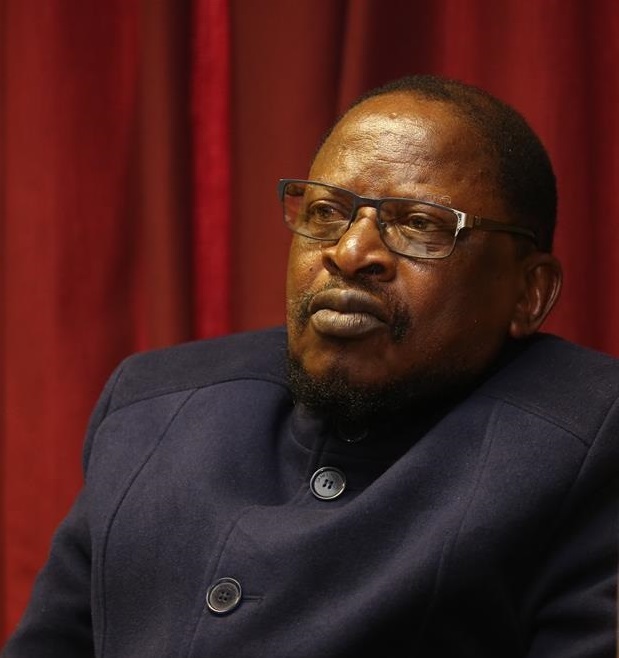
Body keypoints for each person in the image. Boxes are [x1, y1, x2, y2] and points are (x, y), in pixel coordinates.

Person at [2, 74, 618, 658]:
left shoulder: (591, 438)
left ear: (529, 293)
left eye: (418, 224)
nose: (350, 252)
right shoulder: (152, 407)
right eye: (326, 212)